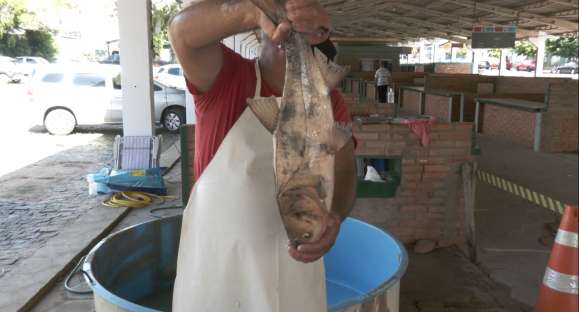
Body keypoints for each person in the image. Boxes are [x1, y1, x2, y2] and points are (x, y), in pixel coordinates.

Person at [168, 0, 357, 311]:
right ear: (262, 32)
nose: (290, 33)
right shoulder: (225, 77)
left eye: (306, 33)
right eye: (280, 24)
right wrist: (251, 10)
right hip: (219, 273)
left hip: (297, 268)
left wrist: (335, 217)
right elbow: (180, 31)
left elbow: (347, 170)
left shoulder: (328, 99)